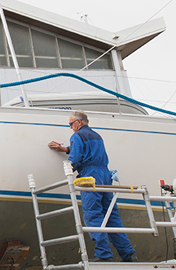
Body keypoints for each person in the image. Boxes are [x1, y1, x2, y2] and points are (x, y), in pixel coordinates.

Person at [47, 111, 135, 262]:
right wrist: (66, 149)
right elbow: (89, 152)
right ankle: (129, 254)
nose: (70, 128)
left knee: (93, 214)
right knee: (111, 216)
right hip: (105, 175)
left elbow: (76, 157)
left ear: (79, 122)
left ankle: (103, 254)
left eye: (70, 124)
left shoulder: (76, 136)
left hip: (90, 176)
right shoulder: (97, 136)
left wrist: (68, 170)